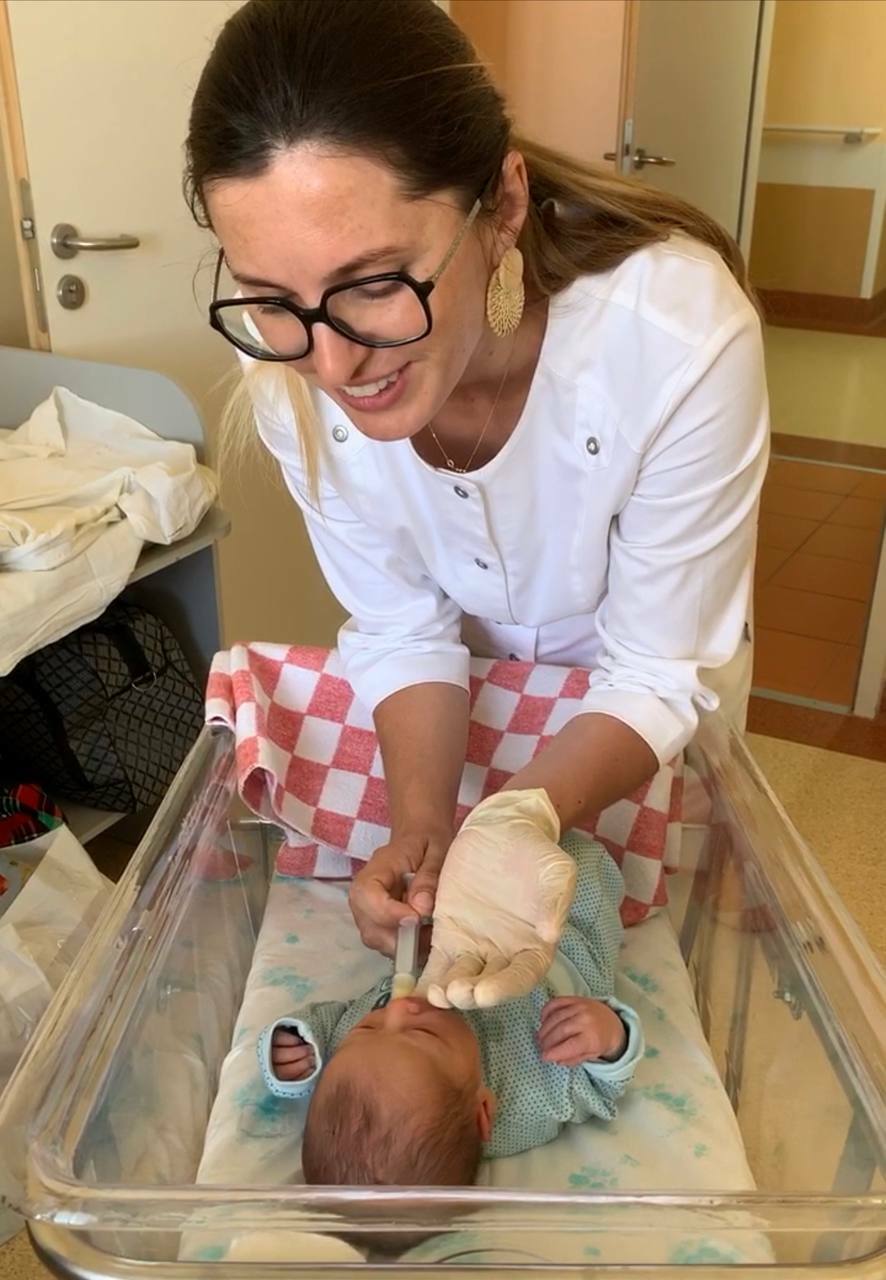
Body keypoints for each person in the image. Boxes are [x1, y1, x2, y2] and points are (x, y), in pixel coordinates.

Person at [186, 0, 768, 1006]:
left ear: (500, 204)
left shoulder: (673, 336)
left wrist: (519, 814)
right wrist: (424, 826)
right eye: (274, 298)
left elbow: (655, 668)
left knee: (675, 919)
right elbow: (402, 624)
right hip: (456, 709)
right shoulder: (285, 371)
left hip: (647, 688)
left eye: (375, 282)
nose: (331, 364)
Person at [256, 829, 643, 1185]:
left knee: (468, 849)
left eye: (368, 1027)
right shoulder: (530, 1103)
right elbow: (603, 1086)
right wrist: (607, 1035)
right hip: (563, 942)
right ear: (483, 1111)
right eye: (424, 1032)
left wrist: (292, 1051)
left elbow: (329, 1025)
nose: (398, 1009)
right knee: (575, 862)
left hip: (462, 924)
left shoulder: (353, 1058)